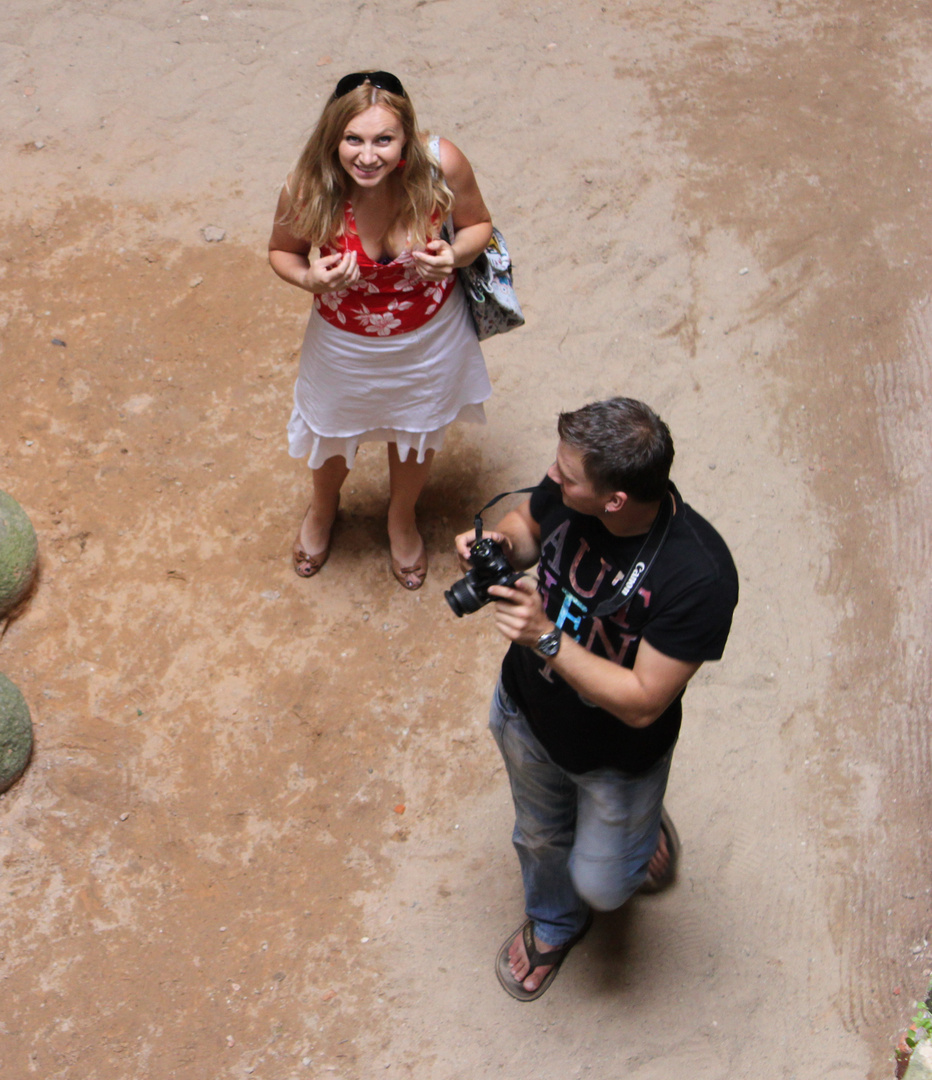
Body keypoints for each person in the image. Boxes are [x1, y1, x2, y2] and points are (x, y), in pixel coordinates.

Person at [454, 398, 738, 1001]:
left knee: (606, 886)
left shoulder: (698, 577)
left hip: (617, 754)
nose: (552, 479)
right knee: (538, 836)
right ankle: (555, 923)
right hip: (527, 713)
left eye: (567, 477)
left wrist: (544, 636)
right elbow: (527, 526)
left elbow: (641, 702)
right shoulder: (572, 483)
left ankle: (635, 831)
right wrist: (499, 548)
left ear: (615, 500)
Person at [268, 70, 496, 586]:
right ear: (334, 137)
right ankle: (323, 510)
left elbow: (479, 222)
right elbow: (281, 251)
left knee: (416, 431)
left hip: (430, 339)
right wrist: (309, 277)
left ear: (406, 138)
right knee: (330, 429)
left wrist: (454, 254)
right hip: (343, 343)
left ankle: (401, 517)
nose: (367, 156)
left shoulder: (441, 165)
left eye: (383, 140)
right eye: (353, 139)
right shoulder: (308, 184)